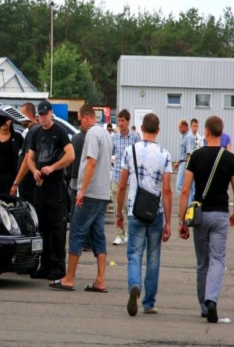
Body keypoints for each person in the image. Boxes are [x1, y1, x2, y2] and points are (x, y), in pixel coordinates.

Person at [179, 116, 234, 323]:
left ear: (205, 133)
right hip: (221, 215)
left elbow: (185, 189)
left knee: (202, 262)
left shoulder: (195, 156)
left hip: (200, 216)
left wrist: (182, 220)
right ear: (221, 134)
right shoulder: (230, 158)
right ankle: (211, 299)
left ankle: (204, 306)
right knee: (217, 259)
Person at [49, 104, 111, 292]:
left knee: (76, 231)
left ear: (85, 117)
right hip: (102, 193)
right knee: (98, 235)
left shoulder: (92, 134)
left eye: (79, 120)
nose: (80, 125)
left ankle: (69, 278)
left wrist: (82, 190)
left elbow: (91, 162)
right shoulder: (106, 134)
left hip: (90, 192)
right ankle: (100, 280)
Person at [116, 113, 172, 316]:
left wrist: (119, 212)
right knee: (153, 258)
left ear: (140, 128)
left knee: (134, 255)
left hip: (134, 210)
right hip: (155, 214)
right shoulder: (165, 154)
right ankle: (149, 303)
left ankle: (134, 285)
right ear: (158, 130)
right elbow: (166, 191)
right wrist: (168, 222)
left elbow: (122, 185)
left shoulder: (130, 151)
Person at [27, 100, 74, 280]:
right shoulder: (36, 133)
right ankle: (44, 266)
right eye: (40, 115)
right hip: (40, 188)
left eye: (45, 114)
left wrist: (53, 167)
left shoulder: (59, 132)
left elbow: (71, 155)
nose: (43, 117)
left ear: (51, 113)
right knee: (43, 229)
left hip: (55, 188)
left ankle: (58, 267)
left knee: (57, 229)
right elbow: (30, 158)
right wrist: (34, 171)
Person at [110, 109, 140, 245]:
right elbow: (111, 154)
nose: (120, 123)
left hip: (130, 179)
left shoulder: (135, 137)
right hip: (116, 176)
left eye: (123, 120)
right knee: (117, 207)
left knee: (129, 207)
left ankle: (128, 233)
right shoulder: (114, 137)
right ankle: (119, 234)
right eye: (119, 120)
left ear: (128, 121)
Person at [11, 102, 39, 202]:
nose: (19, 118)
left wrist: (16, 183)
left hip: (27, 181)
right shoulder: (33, 130)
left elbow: (27, 160)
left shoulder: (32, 132)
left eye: (21, 115)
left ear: (29, 115)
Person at [68, 124, 90, 251]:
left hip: (74, 179)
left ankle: (73, 240)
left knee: (74, 211)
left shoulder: (74, 139)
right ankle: (86, 242)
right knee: (86, 213)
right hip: (86, 179)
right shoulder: (90, 139)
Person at [175, 120, 196, 205]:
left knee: (179, 186)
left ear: (184, 126)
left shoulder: (188, 137)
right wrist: (178, 161)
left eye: (180, 127)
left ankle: (188, 206)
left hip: (185, 164)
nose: (179, 129)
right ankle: (189, 206)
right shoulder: (185, 136)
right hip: (182, 162)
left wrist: (188, 168)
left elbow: (189, 154)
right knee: (190, 188)